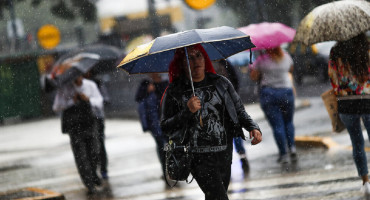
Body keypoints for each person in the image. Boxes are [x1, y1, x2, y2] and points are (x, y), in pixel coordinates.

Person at [160, 44, 262, 200]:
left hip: (224, 152)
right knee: (219, 197)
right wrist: (187, 112)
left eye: (199, 55)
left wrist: (253, 127)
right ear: (182, 63)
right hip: (197, 157)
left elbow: (239, 110)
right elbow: (165, 126)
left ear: (205, 58)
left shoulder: (221, 83)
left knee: (215, 196)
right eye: (190, 58)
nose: (195, 61)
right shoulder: (174, 91)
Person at [328, 33, 370, 195]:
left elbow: (332, 76)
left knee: (357, 142)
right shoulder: (367, 48)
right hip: (368, 99)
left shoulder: (336, 51)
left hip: (346, 102)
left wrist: (340, 89)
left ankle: (365, 181)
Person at [52, 76, 104, 194]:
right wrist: (71, 101)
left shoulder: (90, 85)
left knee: (95, 151)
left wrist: (88, 100)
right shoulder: (64, 88)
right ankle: (89, 183)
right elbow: (56, 107)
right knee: (81, 157)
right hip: (74, 126)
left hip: (90, 122)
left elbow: (99, 102)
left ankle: (93, 173)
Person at [249, 47, 296, 163]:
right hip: (286, 92)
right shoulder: (286, 57)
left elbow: (254, 77)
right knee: (288, 122)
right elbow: (290, 69)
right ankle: (292, 148)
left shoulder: (261, 60)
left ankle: (283, 154)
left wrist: (256, 68)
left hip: (269, 94)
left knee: (277, 125)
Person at [213, 59, 250, 173]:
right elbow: (235, 80)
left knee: (220, 132)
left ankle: (224, 160)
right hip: (228, 102)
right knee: (234, 129)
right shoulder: (224, 62)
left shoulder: (205, 66)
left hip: (215, 104)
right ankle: (241, 155)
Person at [135, 73, 169, 182]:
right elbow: (138, 98)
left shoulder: (166, 83)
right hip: (154, 123)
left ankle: (173, 167)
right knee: (161, 147)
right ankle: (165, 170)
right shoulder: (145, 84)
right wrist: (147, 90)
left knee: (170, 145)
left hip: (168, 121)